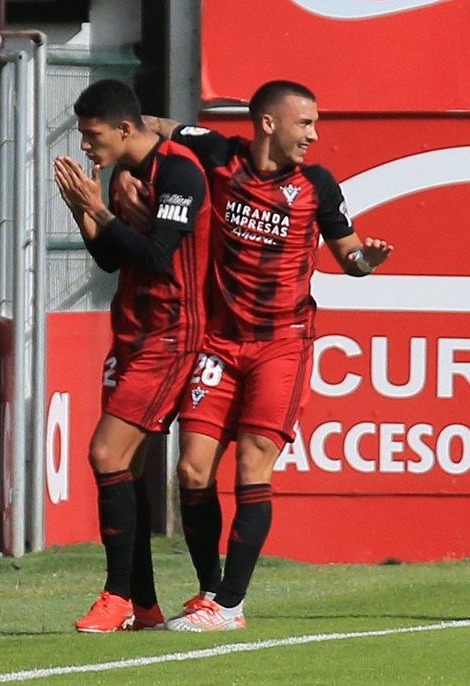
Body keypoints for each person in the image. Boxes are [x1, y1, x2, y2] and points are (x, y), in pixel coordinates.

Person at [118, 79, 393, 632]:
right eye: (306, 123)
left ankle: (231, 604)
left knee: (251, 463)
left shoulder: (317, 185)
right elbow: (152, 128)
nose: (314, 135)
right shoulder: (218, 155)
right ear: (268, 123)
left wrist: (369, 259)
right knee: (193, 470)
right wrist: (126, 169)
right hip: (219, 342)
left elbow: (350, 255)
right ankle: (208, 591)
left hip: (281, 344)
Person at [53, 79, 212, 632]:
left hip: (171, 336)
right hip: (132, 333)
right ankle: (143, 605)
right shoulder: (125, 175)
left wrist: (104, 211)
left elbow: (160, 256)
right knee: (127, 467)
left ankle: (117, 596)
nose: (85, 146)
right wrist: (84, 213)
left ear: (125, 128)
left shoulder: (180, 172)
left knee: (105, 455)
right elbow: (111, 260)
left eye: (92, 135)